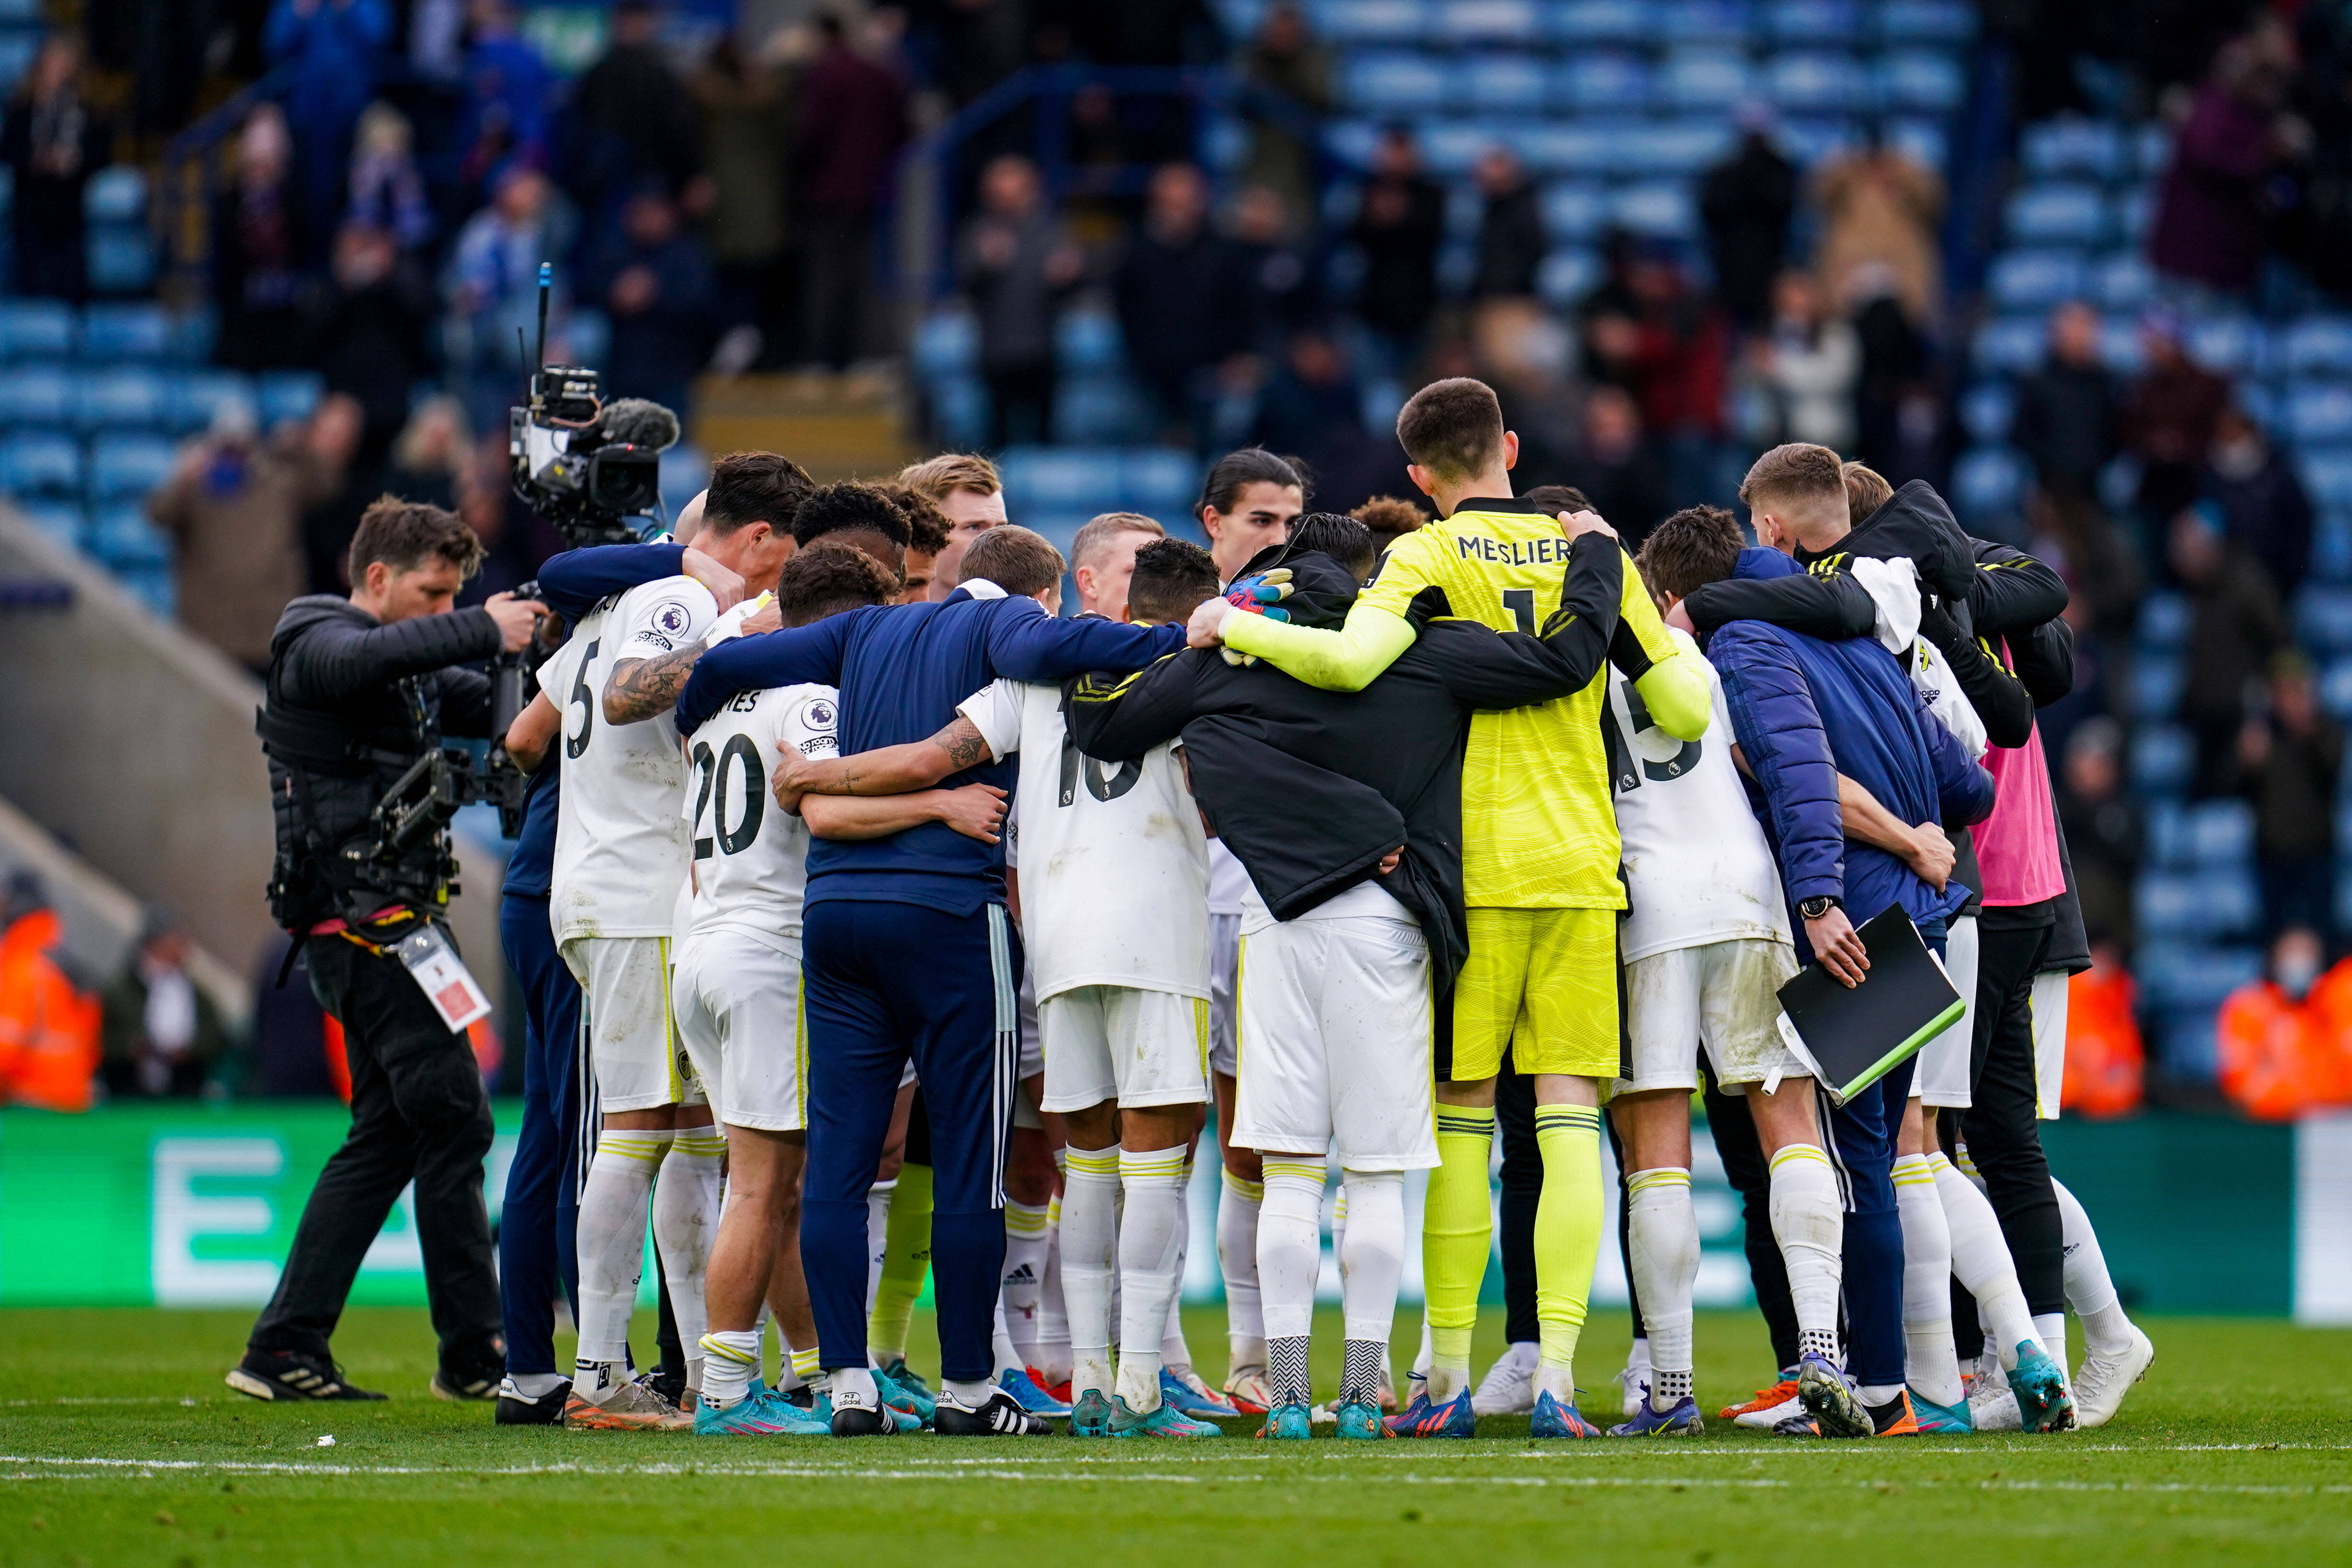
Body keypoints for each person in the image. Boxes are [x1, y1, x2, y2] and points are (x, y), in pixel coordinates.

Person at [1194, 377, 1709, 1438]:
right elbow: (1684, 704)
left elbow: (1348, 661)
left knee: (1460, 1127)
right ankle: (1559, 1375)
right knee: (1568, 1121)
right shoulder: (1584, 556)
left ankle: (1445, 1374)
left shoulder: (1424, 555)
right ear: (1511, 446)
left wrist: (1231, 627)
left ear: (1419, 478)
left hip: (1463, 871)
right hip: (1576, 863)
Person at [1081, 510, 1642, 1436]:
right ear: (1374, 576)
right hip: (1389, 927)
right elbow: (1561, 665)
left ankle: (1291, 1396)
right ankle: (1359, 1395)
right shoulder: (1426, 648)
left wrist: (1188, 629)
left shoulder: (1233, 652)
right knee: (1377, 1179)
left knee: (1293, 1174)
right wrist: (1593, 555)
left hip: (1276, 925)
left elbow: (1112, 728)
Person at [674, 525, 1184, 1437]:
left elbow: (724, 669)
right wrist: (1180, 636)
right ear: (1045, 591)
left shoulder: (861, 630)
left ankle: (847, 1386)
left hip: (832, 922)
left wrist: (689, 722)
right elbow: (1056, 646)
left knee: (834, 1166)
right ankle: (967, 1391)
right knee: (967, 1167)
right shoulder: (1005, 634)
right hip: (948, 918)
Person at [1665, 479, 2001, 1440]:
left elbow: (1798, 770)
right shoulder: (1865, 637)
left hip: (1848, 924)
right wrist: (1918, 832)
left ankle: (1880, 1391)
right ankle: (1889, 1385)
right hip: (1919, 922)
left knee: (1855, 1164)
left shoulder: (1747, 642)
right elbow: (1969, 783)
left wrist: (1815, 895)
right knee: (1886, 1158)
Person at [231, 497, 549, 1404]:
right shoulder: (314, 635)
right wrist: (481, 628)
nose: (442, 607)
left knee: (391, 1134)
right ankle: (476, 1355)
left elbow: (491, 700)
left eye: (454, 592)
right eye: (431, 592)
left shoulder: (402, 668)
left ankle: (285, 1346)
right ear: (377, 578)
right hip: (368, 927)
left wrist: (546, 648)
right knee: (455, 1118)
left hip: (392, 924)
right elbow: (371, 655)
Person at [684, 540, 982, 1436]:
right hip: (768, 948)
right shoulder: (816, 697)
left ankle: (811, 1372)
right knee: (764, 1187)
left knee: (773, 1179)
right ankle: (727, 1389)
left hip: (702, 941)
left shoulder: (723, 698)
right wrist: (938, 804)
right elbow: (819, 806)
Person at [526, 455, 797, 1429]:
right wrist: (741, 636)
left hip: (612, 885)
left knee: (685, 1135)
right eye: (784, 558)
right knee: (637, 1125)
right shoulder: (682, 597)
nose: (782, 584)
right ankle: (597, 1369)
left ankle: (696, 1377)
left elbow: (527, 736)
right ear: (760, 537)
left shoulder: (609, 606)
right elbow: (637, 694)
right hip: (639, 892)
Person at [1589, 506, 1838, 1439]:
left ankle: (1669, 1385)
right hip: (1747, 892)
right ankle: (1820, 1348)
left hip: (1647, 907)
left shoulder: (1573, 667)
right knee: (1787, 1123)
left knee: (1653, 1148)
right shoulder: (1723, 659)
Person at [147, 398, 328, 675]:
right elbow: (158, 516)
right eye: (226, 447)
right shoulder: (196, 488)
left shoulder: (277, 481)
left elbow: (325, 487)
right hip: (210, 632)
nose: (234, 456)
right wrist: (183, 477)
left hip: (268, 629)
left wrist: (301, 450)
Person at [794, 11, 907, 371]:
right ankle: (866, 355)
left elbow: (811, 135)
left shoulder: (824, 75)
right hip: (871, 191)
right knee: (865, 278)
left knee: (826, 279)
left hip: (827, 194)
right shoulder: (882, 75)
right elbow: (901, 129)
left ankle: (823, 358)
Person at [1114, 162, 1246, 441]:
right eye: (1168, 202)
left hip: (1211, 374)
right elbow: (1125, 309)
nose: (1177, 210)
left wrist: (1233, 358)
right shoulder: (1135, 252)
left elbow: (1240, 308)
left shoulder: (1223, 251)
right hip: (1149, 377)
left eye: (1184, 201)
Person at [961, 154, 1085, 448]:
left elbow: (1074, 283)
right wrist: (985, 265)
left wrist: (1070, 276)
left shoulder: (1051, 233)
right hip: (996, 353)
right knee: (996, 439)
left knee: (1045, 436)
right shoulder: (979, 232)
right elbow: (966, 282)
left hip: (1042, 351)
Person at [2171, 502, 2289, 798]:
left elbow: (2278, 650)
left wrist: (2260, 719)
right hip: (2204, 715)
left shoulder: (2249, 584)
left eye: (2190, 547)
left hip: (2240, 719)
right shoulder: (2196, 588)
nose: (2183, 557)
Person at [2238, 653, 2343, 940]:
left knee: (2322, 936)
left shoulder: (2326, 730)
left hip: (2315, 853)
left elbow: (2332, 767)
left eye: (2295, 690)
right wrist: (2247, 763)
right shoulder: (2262, 735)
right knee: (2273, 938)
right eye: (2282, 691)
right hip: (2272, 855)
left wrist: (2305, 727)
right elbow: (2237, 790)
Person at [588, 187, 718, 421]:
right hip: (620, 365)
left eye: (655, 212)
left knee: (671, 438)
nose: (649, 220)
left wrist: (655, 294)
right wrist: (616, 294)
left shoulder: (687, 254)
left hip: (672, 366)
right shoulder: (613, 248)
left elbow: (702, 303)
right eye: (642, 213)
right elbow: (586, 290)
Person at [0, 34, 110, 301]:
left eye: (65, 64)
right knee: (33, 284)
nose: (59, 71)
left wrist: (73, 161)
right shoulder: (23, 110)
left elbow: (101, 153)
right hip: (30, 206)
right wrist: (37, 160)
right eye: (54, 63)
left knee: (70, 284)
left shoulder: (89, 112)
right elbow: (8, 150)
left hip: (70, 208)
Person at [1812, 124, 1945, 329]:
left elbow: (1934, 201)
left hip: (1900, 265)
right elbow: (1818, 194)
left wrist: (1901, 173)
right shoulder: (1847, 175)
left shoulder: (1906, 175)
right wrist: (1850, 167)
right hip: (1851, 263)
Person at [2217, 926, 2352, 1121]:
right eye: (2291, 952)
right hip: (2267, 1126)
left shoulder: (2336, 1000)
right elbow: (2241, 1082)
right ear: (2274, 958)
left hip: (2335, 1123)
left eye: (2308, 952)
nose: (2300, 960)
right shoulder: (2250, 1006)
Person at [213, 104, 309, 372]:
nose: (261, 173)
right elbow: (221, 268)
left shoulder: (296, 203)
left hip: (287, 327)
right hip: (240, 327)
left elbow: (304, 254)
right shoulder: (229, 204)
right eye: (255, 164)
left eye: (268, 164)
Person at [99, 908, 229, 1099]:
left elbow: (215, 1039)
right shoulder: (119, 992)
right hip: (127, 1094)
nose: (181, 950)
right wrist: (133, 1048)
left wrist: (188, 1050)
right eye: (173, 941)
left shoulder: (199, 997)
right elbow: (101, 1040)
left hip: (183, 1093)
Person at [0, 871, 100, 1113]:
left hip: (28, 1103)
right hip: (72, 1102)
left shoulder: (22, 966)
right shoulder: (66, 965)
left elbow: (6, 1049)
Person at [1347, 127, 1445, 370]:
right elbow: (1356, 238)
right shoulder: (1365, 190)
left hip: (1419, 309)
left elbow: (1430, 237)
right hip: (1373, 308)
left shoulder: (1432, 194)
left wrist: (1401, 217)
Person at [2123, 312, 2229, 525]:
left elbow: (2218, 432)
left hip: (2198, 487)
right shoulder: (2140, 388)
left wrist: (2182, 446)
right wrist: (2154, 444)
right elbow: (2128, 433)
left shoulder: (2207, 385)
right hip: (2153, 487)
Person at [1697, 108, 1798, 329]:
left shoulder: (1781, 169)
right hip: (1730, 267)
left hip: (1771, 264)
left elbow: (1785, 207)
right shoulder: (1723, 170)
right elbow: (1710, 211)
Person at [2012, 302, 2120, 506]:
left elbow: (2116, 432)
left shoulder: (2107, 382)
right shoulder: (2036, 381)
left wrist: (2094, 462)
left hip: (2096, 489)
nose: (2081, 335)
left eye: (2087, 327)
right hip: (2049, 488)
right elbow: (2021, 435)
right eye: (2074, 326)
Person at [2202, 405, 2314, 598]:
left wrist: (2287, 576)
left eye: (2236, 433)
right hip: (2221, 584)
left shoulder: (2280, 476)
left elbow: (2300, 527)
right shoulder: (2209, 480)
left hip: (2275, 579)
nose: (2231, 441)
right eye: (2225, 435)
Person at [1755, 271, 1860, 451]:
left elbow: (1832, 378)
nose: (1793, 303)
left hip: (1827, 437)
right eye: (1785, 299)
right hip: (1780, 440)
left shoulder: (1837, 334)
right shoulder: (1775, 331)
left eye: (1798, 295)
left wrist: (1778, 366)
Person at [897, 452, 1006, 601]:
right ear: (925, 532)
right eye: (974, 527)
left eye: (1001, 528)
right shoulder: (870, 620)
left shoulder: (1026, 617)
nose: (997, 542)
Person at [1197, 447, 1304, 583]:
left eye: (1292, 524)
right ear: (1214, 522)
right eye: (1263, 521)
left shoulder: (1314, 601)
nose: (1281, 540)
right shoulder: (1174, 602)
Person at [1469, 146, 1543, 302]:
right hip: (1489, 295)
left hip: (1512, 298)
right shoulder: (1490, 207)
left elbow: (1532, 253)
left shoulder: (1525, 210)